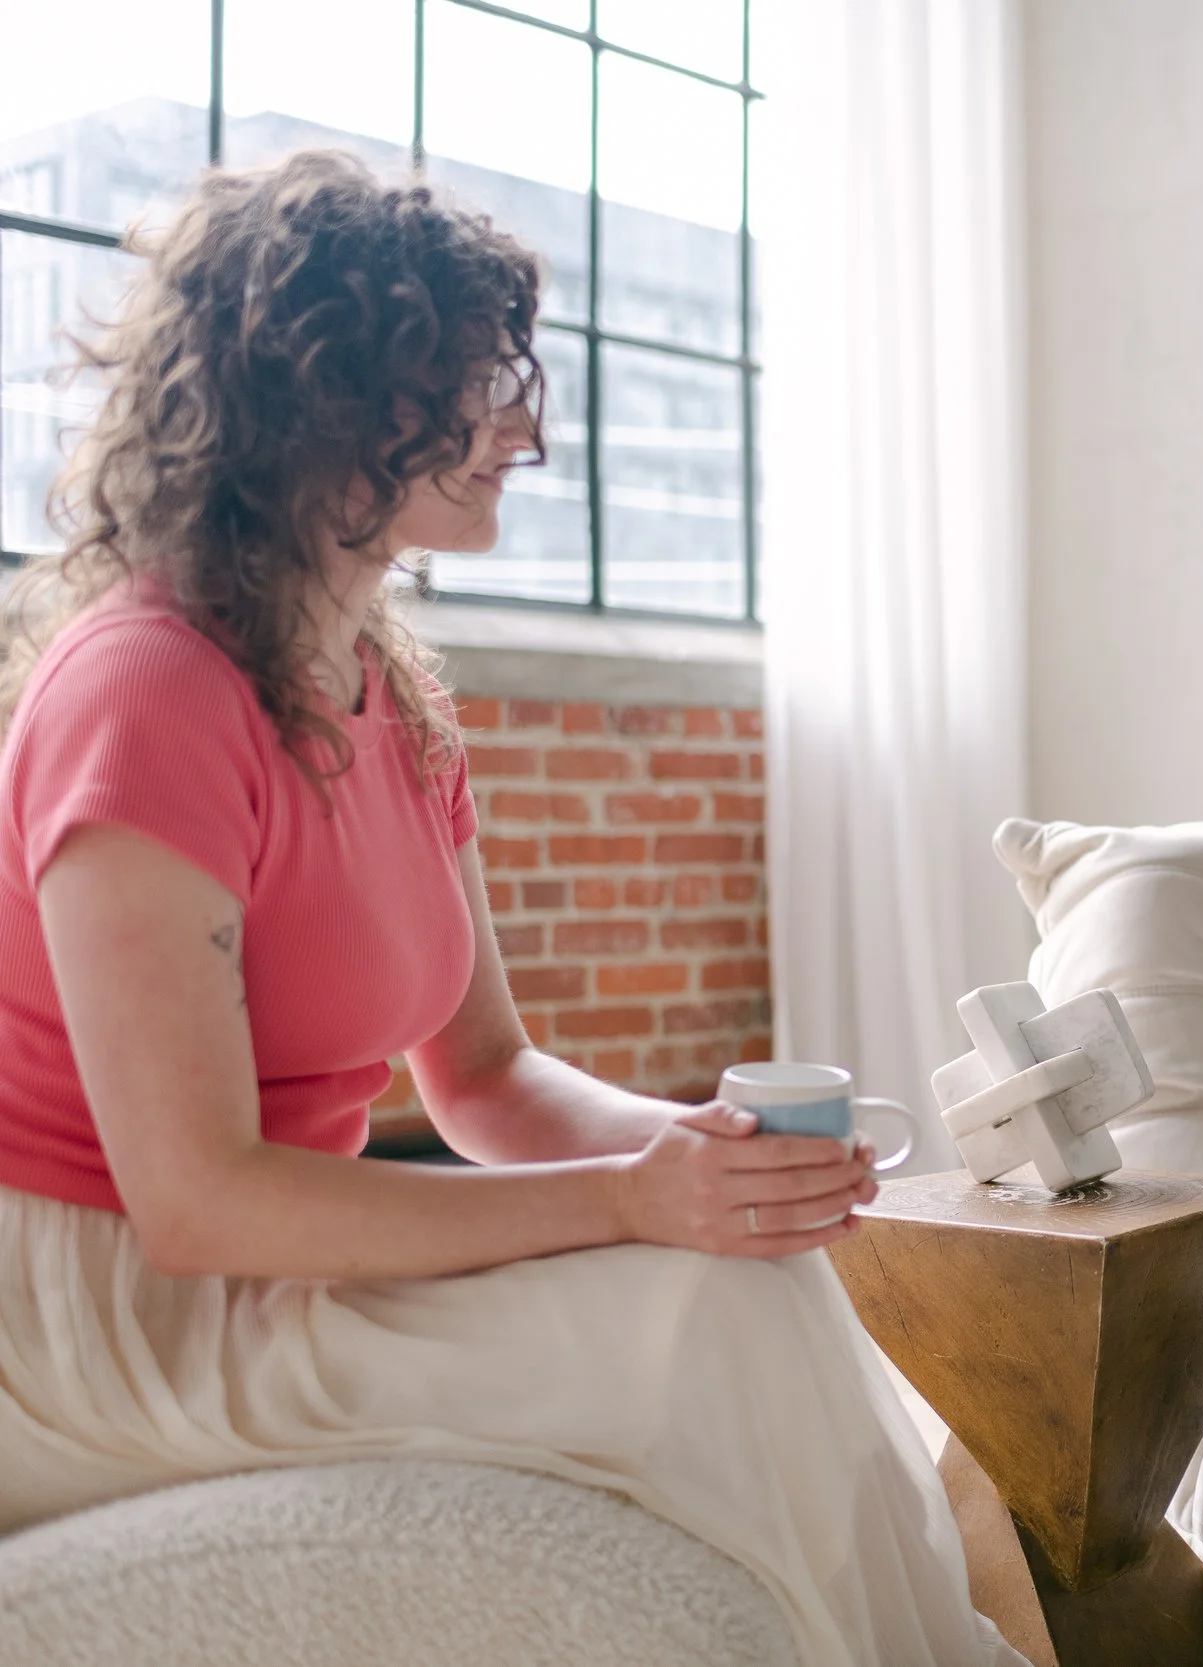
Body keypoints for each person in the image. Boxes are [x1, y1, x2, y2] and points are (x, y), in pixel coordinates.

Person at [0, 152, 1020, 1667]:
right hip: (106, 1322)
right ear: (320, 400)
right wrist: (624, 1202)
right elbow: (197, 1199)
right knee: (709, 1326)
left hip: (287, 1272)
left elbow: (485, 1080)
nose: (526, 431)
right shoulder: (145, 690)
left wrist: (698, 1159)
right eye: (473, 386)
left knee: (762, 1282)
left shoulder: (393, 691)